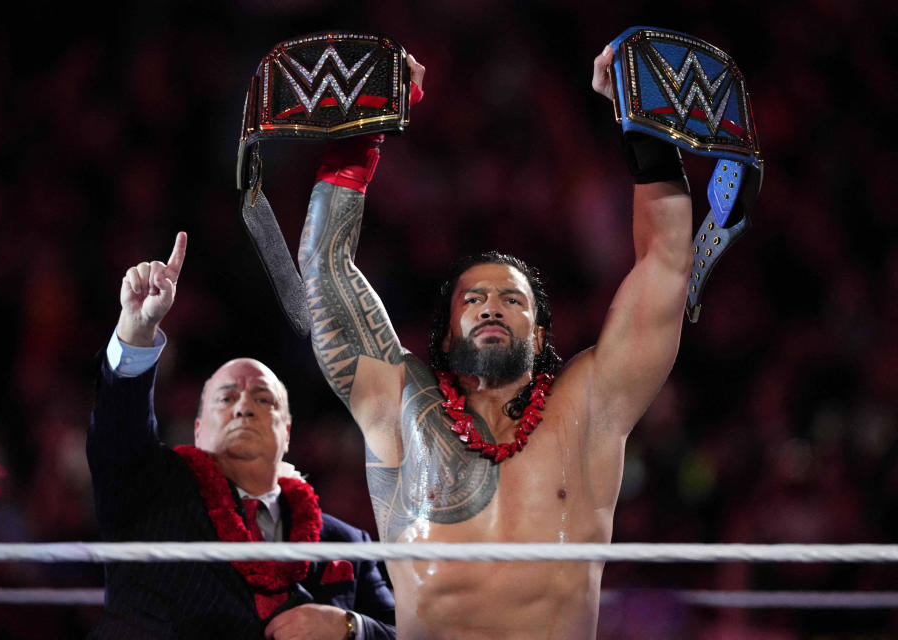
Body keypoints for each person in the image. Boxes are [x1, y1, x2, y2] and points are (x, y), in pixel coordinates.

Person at [295, 47, 693, 638]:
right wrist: (364, 134)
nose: (491, 306)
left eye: (513, 300)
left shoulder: (588, 405)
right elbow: (323, 268)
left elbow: (665, 266)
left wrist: (647, 125)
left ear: (539, 332)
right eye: (472, 298)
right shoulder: (400, 404)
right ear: (447, 328)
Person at [87, 231, 396, 639]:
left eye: (264, 399)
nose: (244, 406)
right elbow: (116, 432)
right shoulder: (151, 495)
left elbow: (405, 632)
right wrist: (136, 330)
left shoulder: (346, 544)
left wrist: (351, 627)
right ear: (198, 431)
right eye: (226, 397)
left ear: (287, 433)